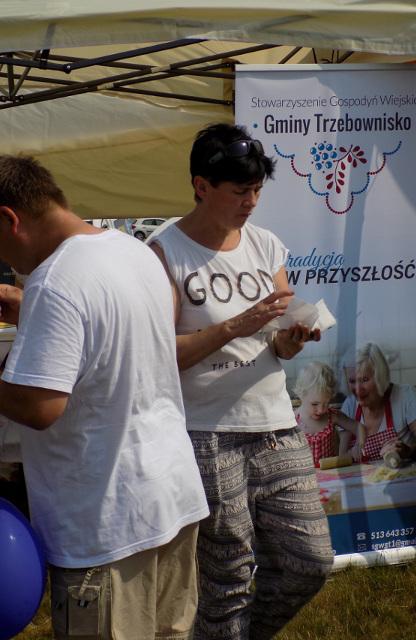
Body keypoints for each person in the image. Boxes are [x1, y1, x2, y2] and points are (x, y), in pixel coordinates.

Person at [0, 155, 209, 640]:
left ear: (9, 218)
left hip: (106, 522)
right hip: (169, 498)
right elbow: (111, 336)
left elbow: (40, 406)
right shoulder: (133, 252)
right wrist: (29, 309)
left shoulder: (54, 280)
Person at [150, 123, 333, 640]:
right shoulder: (164, 251)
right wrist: (236, 325)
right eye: (239, 191)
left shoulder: (266, 244)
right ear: (201, 186)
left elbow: (277, 342)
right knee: (227, 579)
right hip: (207, 432)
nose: (251, 202)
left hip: (275, 424)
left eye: (257, 190)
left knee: (311, 561)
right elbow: (159, 354)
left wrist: (292, 339)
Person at [341, 343, 416, 463]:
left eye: (364, 379)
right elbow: (339, 457)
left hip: (403, 473)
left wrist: (409, 451)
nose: (358, 390)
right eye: (352, 381)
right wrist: (350, 455)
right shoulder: (349, 406)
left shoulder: (404, 395)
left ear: (380, 376)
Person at [294, 361, 366, 466]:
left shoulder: (332, 416)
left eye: (326, 403)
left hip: (331, 473)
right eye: (315, 404)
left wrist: (358, 447)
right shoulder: (292, 420)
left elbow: (360, 428)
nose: (321, 410)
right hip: (305, 474)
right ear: (301, 395)